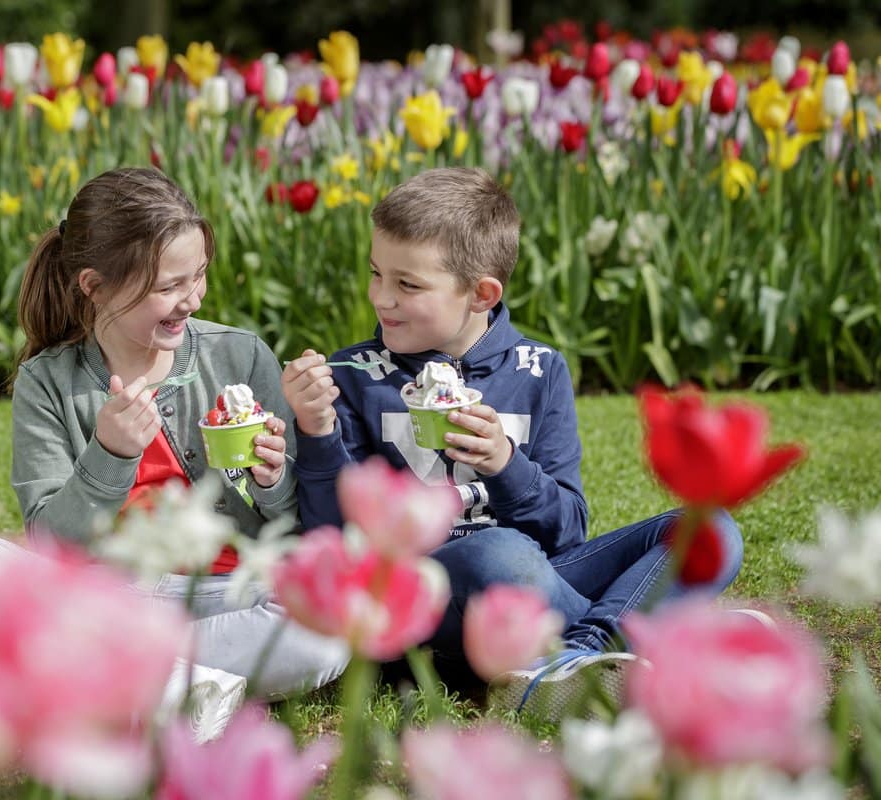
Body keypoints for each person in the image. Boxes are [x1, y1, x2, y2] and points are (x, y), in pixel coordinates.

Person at [281, 167, 743, 719]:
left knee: (712, 529)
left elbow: (568, 529)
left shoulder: (540, 369)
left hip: (536, 582)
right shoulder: (353, 374)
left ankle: (580, 656)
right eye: (377, 273)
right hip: (422, 601)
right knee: (495, 551)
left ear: (481, 294)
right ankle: (650, 634)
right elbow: (336, 537)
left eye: (408, 284)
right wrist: (318, 432)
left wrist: (506, 465)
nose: (382, 297)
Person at [10, 166, 348, 704]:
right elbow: (50, 543)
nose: (192, 299)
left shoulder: (239, 356)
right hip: (115, 594)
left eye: (199, 275)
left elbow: (295, 526)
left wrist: (274, 478)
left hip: (232, 590)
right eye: (169, 286)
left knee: (327, 628)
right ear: (94, 287)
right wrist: (110, 455)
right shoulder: (48, 382)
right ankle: (175, 676)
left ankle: (137, 669)